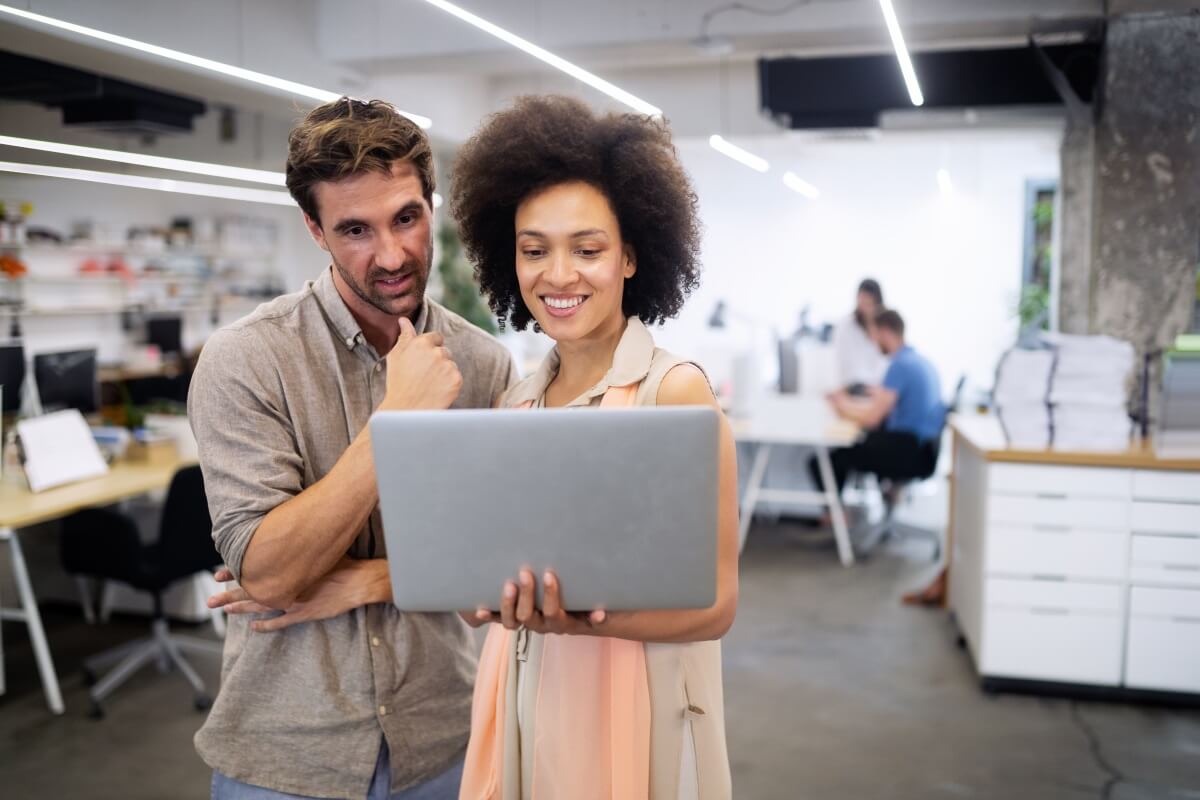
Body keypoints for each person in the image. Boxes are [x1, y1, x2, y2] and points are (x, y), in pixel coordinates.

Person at [192, 97, 517, 799]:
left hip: (443, 745)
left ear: (432, 204)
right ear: (315, 230)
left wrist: (366, 581)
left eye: (406, 217)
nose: (393, 254)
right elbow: (273, 576)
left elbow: (495, 573)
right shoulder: (247, 360)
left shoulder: (484, 365)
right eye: (355, 230)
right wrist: (395, 419)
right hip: (284, 759)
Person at [450, 95, 739, 799]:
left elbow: (716, 605)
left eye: (588, 249)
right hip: (520, 695)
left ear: (632, 256)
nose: (558, 276)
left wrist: (578, 620)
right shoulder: (516, 401)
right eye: (534, 249)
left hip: (629, 707)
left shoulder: (674, 393)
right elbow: (485, 585)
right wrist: (481, 596)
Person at [810, 308, 944, 502]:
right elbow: (886, 408)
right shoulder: (920, 362)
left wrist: (840, 405)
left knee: (832, 459)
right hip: (923, 451)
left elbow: (872, 419)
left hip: (906, 450)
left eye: (874, 335)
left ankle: (837, 520)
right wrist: (854, 402)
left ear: (886, 332)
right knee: (859, 442)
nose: (873, 342)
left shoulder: (899, 365)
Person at [832, 278, 888, 390]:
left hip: (879, 386)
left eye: (869, 303)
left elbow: (886, 360)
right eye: (862, 302)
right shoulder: (846, 325)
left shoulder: (884, 328)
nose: (865, 308)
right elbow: (843, 362)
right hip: (854, 385)